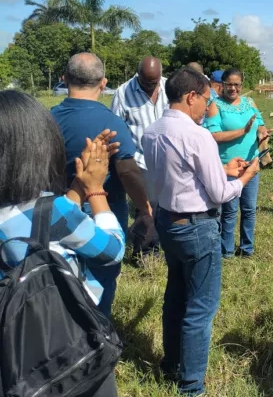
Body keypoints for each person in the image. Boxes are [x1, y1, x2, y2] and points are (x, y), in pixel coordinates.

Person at [142, 68, 259, 396]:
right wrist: (245, 177)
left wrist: (222, 170)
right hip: (197, 227)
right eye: (206, 101)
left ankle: (171, 364)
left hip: (167, 222)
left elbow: (176, 173)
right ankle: (191, 386)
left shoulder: (152, 132)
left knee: (176, 295)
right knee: (200, 308)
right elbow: (221, 194)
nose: (208, 108)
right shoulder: (197, 135)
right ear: (191, 96)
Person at [0, 91, 125, 396]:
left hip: (13, 360)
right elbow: (113, 249)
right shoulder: (56, 211)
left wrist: (76, 189)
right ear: (40, 149)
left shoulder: (47, 212)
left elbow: (40, 228)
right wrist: (95, 191)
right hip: (70, 356)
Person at [51, 53, 153, 317]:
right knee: (103, 278)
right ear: (103, 82)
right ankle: (99, 334)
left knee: (60, 277)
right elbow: (128, 171)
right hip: (102, 210)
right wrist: (144, 209)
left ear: (64, 79)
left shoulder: (47, 120)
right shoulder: (111, 123)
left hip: (58, 209)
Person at [203, 68, 271, 259]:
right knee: (230, 211)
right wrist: (242, 131)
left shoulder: (249, 103)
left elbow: (260, 123)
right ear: (222, 85)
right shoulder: (215, 105)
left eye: (237, 85)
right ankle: (227, 251)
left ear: (242, 85)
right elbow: (213, 135)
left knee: (249, 209)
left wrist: (263, 132)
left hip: (251, 163)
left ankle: (247, 248)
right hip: (229, 167)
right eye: (229, 84)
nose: (233, 88)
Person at [111, 56, 167, 253]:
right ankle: (143, 251)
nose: (151, 86)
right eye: (146, 82)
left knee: (165, 206)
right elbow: (116, 127)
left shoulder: (169, 88)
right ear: (138, 75)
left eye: (155, 82)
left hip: (167, 160)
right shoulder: (123, 93)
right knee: (145, 208)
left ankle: (161, 245)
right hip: (140, 161)